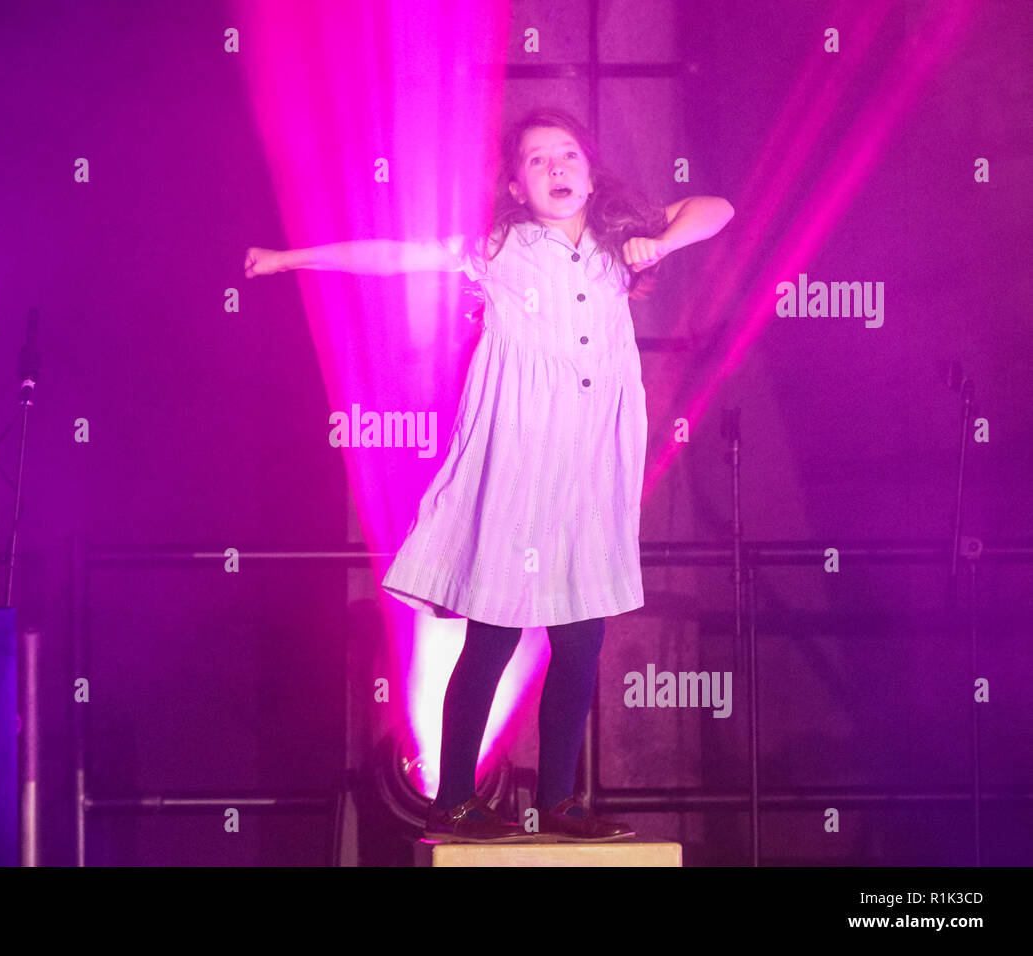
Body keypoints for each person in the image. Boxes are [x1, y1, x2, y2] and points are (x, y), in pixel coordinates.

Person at [245, 107, 734, 843]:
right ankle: (456, 798)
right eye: (537, 160)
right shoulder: (500, 249)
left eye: (567, 154)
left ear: (590, 170)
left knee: (580, 644)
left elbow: (718, 208)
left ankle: (564, 800)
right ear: (515, 184)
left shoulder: (615, 243)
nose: (556, 168)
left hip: (589, 476)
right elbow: (393, 255)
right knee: (493, 639)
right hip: (520, 470)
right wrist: (291, 259)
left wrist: (657, 242)